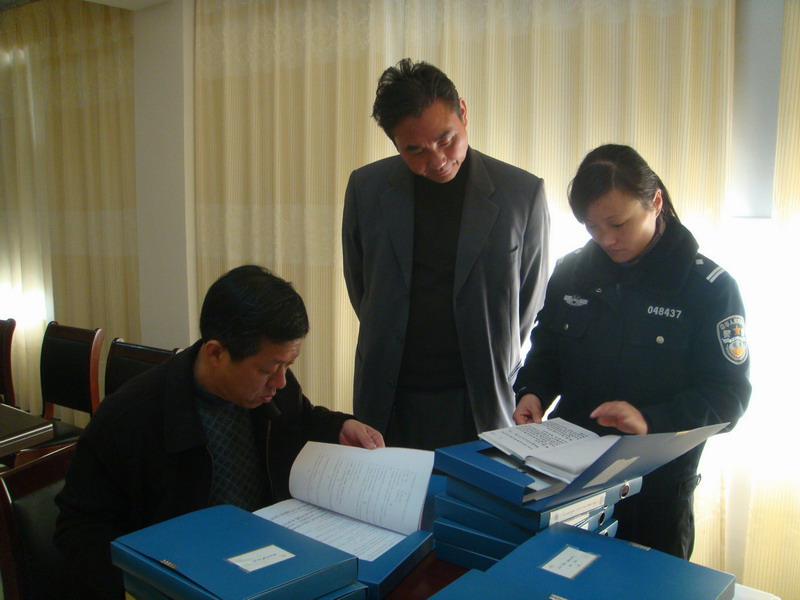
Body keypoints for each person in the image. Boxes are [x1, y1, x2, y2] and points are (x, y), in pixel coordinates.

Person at [55, 265, 384, 599]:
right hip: (187, 578)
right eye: (268, 369)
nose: (281, 381)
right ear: (215, 353)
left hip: (272, 559)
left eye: (288, 365)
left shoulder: (274, 389)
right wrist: (149, 585)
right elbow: (79, 530)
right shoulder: (128, 418)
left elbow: (302, 418)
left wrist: (340, 425)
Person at [513, 144, 751, 559]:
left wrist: (651, 421)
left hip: (655, 490)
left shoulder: (708, 289)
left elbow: (728, 397)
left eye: (618, 224)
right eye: (592, 227)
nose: (606, 240)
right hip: (569, 479)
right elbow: (547, 348)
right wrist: (532, 391)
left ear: (655, 202)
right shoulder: (572, 273)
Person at [342, 59, 550, 450]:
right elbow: (362, 288)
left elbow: (528, 299)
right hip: (389, 395)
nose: (437, 160)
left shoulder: (521, 194)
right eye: (415, 150)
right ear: (395, 144)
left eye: (446, 139)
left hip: (481, 395)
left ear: (463, 114)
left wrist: (494, 348)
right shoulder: (366, 189)